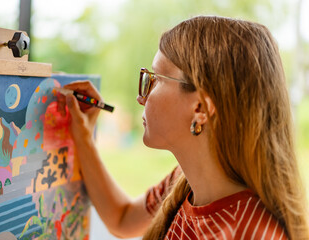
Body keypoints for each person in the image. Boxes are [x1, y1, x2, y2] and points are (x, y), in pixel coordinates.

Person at [57, 16, 309, 239]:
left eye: (155, 79)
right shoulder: (184, 182)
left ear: (200, 108)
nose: (142, 98)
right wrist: (83, 136)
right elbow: (122, 219)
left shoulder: (251, 233)